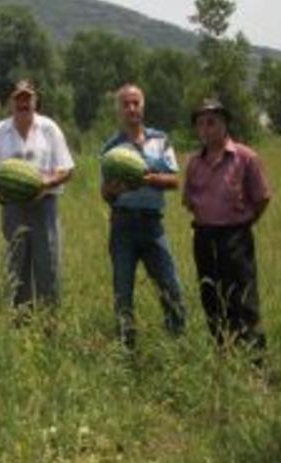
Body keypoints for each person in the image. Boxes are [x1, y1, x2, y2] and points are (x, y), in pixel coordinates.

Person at [100, 84, 186, 349]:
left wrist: (147, 177)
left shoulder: (161, 140)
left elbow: (174, 181)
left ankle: (177, 341)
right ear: (119, 110)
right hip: (122, 225)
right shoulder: (111, 148)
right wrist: (113, 191)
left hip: (152, 225)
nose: (131, 108)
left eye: (136, 103)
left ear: (143, 106)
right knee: (123, 292)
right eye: (126, 104)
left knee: (170, 287)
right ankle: (127, 347)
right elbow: (105, 193)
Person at [183, 99, 270, 359]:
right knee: (211, 298)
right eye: (201, 124)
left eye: (212, 122)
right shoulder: (194, 163)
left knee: (243, 300)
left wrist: (243, 224)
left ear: (225, 124)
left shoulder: (245, 158)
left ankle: (256, 363)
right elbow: (188, 201)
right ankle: (224, 355)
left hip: (236, 238)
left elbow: (262, 198)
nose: (206, 129)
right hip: (203, 237)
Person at [0, 79, 75, 319]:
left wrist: (45, 183)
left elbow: (67, 169)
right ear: (10, 103)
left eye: (28, 98)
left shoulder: (49, 128)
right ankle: (20, 327)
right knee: (17, 271)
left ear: (36, 101)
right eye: (19, 98)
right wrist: (1, 194)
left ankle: (50, 327)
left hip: (45, 207)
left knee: (49, 270)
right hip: (12, 209)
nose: (23, 103)